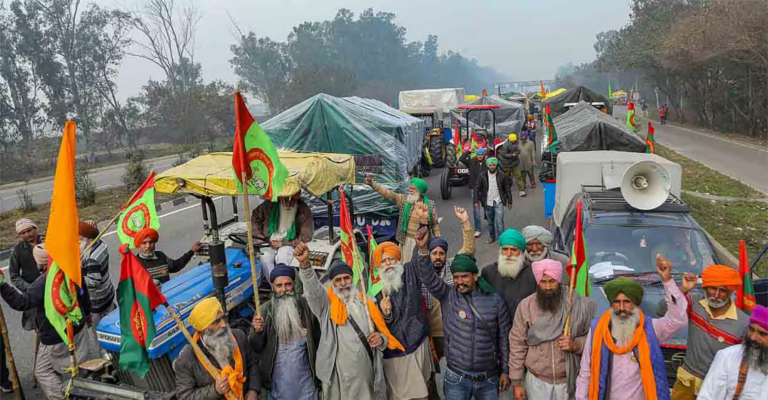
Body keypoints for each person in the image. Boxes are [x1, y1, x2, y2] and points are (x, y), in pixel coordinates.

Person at [296, 242, 404, 400]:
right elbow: (313, 290)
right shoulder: (326, 305)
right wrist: (305, 265)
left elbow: (384, 335)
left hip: (368, 376)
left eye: (346, 278)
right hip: (341, 380)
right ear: (332, 284)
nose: (343, 283)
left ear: (352, 279)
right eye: (338, 280)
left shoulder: (367, 303)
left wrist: (380, 339)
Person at [575, 255, 688, 400]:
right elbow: (585, 373)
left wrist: (667, 281)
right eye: (616, 302)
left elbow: (678, 320)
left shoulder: (651, 329)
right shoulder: (597, 330)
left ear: (636, 303)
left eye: (627, 302)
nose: (622, 308)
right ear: (611, 304)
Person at [416, 229, 512, 400]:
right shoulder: (448, 295)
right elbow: (428, 277)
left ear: (475, 276)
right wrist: (423, 251)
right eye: (456, 277)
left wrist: (505, 371)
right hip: (456, 378)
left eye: (464, 277)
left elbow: (504, 339)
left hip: (488, 378)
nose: (459, 282)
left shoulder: (495, 301)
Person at [0, 246, 94, 400]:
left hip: (56, 335)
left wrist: (3, 285)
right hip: (78, 325)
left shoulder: (43, 282)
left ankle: (66, 396)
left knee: (52, 372)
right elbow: (84, 294)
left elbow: (22, 303)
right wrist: (88, 313)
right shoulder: (71, 269)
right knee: (75, 370)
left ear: (40, 262)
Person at [509, 260, 596, 400]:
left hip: (569, 381)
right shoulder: (526, 306)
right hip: (538, 382)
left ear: (559, 280)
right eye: (543, 282)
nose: (548, 287)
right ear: (538, 282)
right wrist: (517, 382)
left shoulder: (576, 304)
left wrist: (576, 344)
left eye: (552, 281)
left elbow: (593, 337)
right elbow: (517, 344)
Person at [670, 264, 750, 399]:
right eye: (713, 288)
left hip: (717, 389)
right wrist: (682, 290)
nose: (716, 295)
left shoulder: (743, 323)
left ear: (731, 292)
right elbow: (662, 311)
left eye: (723, 290)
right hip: (686, 383)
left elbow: (744, 360)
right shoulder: (694, 302)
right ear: (705, 288)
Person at [372, 229, 433, 400]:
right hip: (395, 355)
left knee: (424, 391)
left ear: (398, 260)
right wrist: (385, 314)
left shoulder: (409, 273)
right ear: (379, 266)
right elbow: (377, 327)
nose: (388, 263)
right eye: (383, 261)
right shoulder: (374, 292)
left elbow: (419, 259)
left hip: (417, 345)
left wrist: (421, 243)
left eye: (391, 259)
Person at [248, 264, 321, 400]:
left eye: (288, 284)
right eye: (279, 286)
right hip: (278, 384)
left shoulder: (305, 306)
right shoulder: (264, 310)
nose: (284, 290)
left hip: (306, 382)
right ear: (273, 287)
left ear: (294, 284)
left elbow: (317, 338)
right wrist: (257, 332)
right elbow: (255, 348)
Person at [174, 298, 259, 400]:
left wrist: (253, 389)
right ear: (203, 329)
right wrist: (215, 390)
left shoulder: (238, 336)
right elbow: (185, 397)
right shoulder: (187, 359)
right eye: (216, 321)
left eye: (222, 318)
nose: (223, 324)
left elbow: (252, 363)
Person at [423, 206, 475, 360]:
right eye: (434, 253)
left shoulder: (453, 267)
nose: (438, 257)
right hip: (432, 333)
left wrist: (465, 221)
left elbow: (469, 249)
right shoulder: (423, 272)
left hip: (454, 330)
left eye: (441, 253)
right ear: (429, 255)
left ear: (446, 255)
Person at [697, 305, 768, 399]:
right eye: (751, 330)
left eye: (762, 334)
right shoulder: (727, 356)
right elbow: (707, 396)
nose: (753, 337)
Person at [365, 175, 441, 262]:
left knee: (421, 267)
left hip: (423, 242)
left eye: (413, 189)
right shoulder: (405, 201)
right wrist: (373, 184)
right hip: (406, 241)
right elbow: (389, 194)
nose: (410, 190)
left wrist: (438, 243)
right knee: (406, 267)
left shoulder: (430, 206)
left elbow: (435, 225)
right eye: (410, 188)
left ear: (420, 191)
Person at [251, 191, 314, 279]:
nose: (289, 203)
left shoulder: (303, 209)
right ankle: (275, 286)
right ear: (279, 197)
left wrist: (282, 243)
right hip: (268, 242)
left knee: (284, 257)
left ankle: (285, 283)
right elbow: (255, 215)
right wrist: (260, 237)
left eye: (292, 199)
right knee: (265, 257)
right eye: (286, 199)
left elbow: (306, 236)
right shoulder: (269, 204)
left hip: (289, 243)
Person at [481, 229, 537, 322]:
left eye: (514, 250)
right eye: (505, 249)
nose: (509, 254)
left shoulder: (532, 274)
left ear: (521, 252)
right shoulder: (488, 272)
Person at [8, 218, 44, 334]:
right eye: (23, 233)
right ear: (19, 235)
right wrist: (29, 288)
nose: (27, 234)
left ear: (35, 229)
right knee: (40, 327)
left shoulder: (47, 241)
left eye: (29, 230)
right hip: (33, 294)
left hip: (53, 289)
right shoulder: (18, 251)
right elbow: (14, 275)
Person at [79, 221, 115, 326]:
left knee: (100, 329)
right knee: (112, 323)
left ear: (86, 238)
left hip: (97, 300)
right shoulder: (101, 244)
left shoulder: (92, 258)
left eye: (79, 237)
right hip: (108, 292)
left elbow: (93, 281)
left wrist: (77, 276)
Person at [133, 227, 201, 284]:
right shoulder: (135, 264)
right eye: (144, 243)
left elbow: (176, 266)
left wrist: (192, 251)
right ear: (139, 245)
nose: (148, 246)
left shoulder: (161, 256)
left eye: (151, 242)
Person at [475, 157, 512, 244]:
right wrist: (476, 201)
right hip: (488, 202)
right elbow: (477, 188)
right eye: (490, 165)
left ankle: (502, 240)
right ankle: (492, 237)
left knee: (499, 222)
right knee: (490, 222)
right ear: (488, 166)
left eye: (493, 165)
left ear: (496, 165)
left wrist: (510, 201)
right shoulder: (482, 175)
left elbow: (507, 189)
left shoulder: (502, 175)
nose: (492, 166)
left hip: (498, 201)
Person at [460, 147, 487, 238]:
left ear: (484, 155)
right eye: (478, 154)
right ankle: (478, 229)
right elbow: (461, 158)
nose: (480, 156)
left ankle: (488, 217)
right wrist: (468, 151)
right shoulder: (471, 162)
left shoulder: (487, 163)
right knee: (476, 210)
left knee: (487, 206)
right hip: (474, 189)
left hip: (484, 189)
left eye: (481, 155)